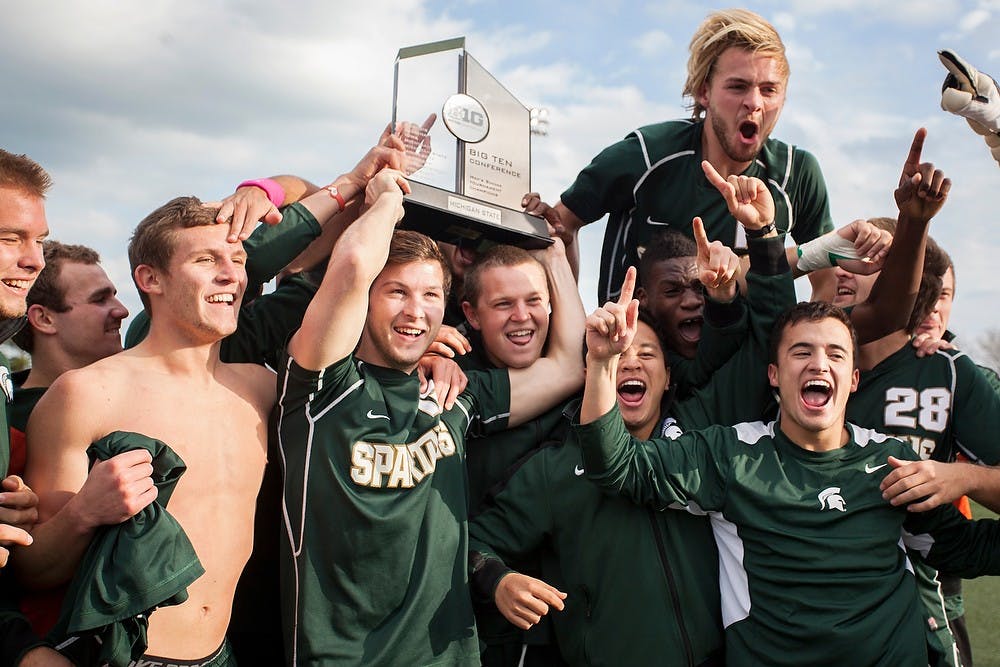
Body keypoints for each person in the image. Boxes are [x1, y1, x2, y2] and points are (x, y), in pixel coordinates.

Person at [574, 293, 1000, 666]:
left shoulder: (891, 461)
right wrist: (601, 363)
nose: (819, 363)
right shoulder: (731, 454)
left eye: (835, 354)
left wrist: (967, 477)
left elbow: (969, 549)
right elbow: (617, 466)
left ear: (853, 380)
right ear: (774, 375)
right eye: (801, 352)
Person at [275, 168, 584, 665]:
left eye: (430, 295)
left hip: (449, 655)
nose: (415, 312)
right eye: (397, 292)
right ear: (366, 299)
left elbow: (569, 366)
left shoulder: (456, 394)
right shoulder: (322, 388)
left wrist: (546, 248)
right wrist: (381, 199)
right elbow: (354, 264)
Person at [468, 211, 793, 666]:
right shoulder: (555, 466)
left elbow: (773, 338)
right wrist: (498, 580)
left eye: (647, 353)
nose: (632, 363)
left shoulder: (703, 430)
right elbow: (468, 543)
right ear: (592, 371)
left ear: (668, 378)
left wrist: (763, 236)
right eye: (617, 353)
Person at [22, 196, 279, 665]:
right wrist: (85, 511)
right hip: (126, 657)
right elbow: (30, 569)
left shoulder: (262, 389)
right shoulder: (84, 394)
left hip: (223, 653)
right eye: (206, 260)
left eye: (237, 260)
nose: (230, 274)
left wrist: (422, 360)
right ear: (150, 279)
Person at [531, 8, 834, 301]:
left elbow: (827, 281)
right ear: (704, 92)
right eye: (738, 86)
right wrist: (571, 335)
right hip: (641, 349)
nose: (754, 103)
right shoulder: (648, 154)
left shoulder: (797, 173)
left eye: (769, 90)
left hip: (741, 351)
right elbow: (561, 226)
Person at [456, 243, 584, 666]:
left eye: (534, 301)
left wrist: (554, 250)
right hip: (468, 623)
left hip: (565, 627)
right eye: (502, 304)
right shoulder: (452, 384)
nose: (522, 316)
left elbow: (577, 359)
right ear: (472, 315)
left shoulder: (591, 384)